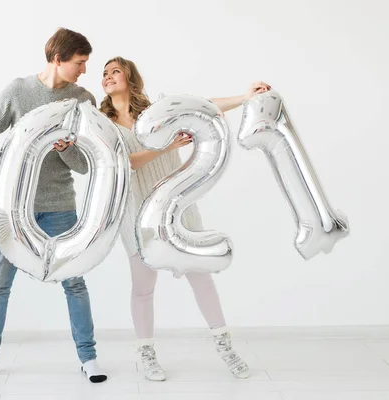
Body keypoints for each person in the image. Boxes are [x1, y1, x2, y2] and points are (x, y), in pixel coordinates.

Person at [0, 28, 107, 384]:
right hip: (12, 210)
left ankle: (88, 358)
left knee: (74, 283)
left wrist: (67, 149)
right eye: (79, 63)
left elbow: (85, 164)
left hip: (60, 206)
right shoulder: (18, 91)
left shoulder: (82, 99)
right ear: (58, 59)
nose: (84, 70)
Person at [99, 56, 270, 381]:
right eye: (104, 73)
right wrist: (167, 148)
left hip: (175, 207)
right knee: (143, 287)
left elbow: (206, 107)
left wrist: (245, 96)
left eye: (115, 71)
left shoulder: (157, 112)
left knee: (201, 278)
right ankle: (147, 355)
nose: (107, 77)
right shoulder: (103, 123)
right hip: (136, 211)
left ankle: (225, 347)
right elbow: (127, 164)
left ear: (130, 77)